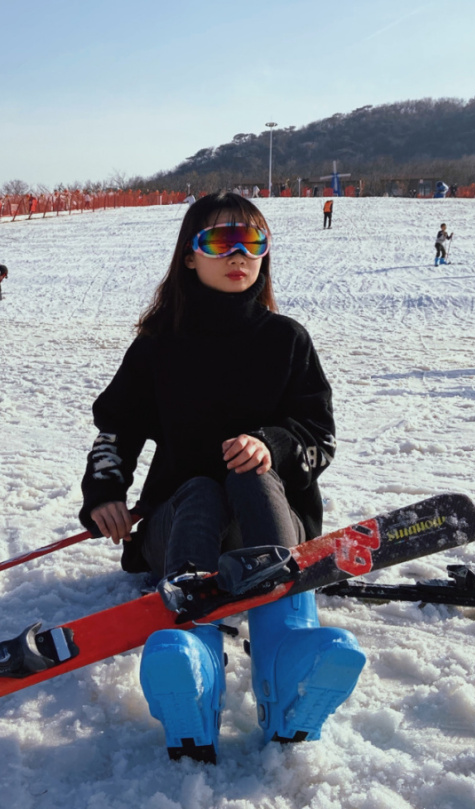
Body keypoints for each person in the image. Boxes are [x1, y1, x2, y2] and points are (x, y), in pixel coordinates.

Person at [80, 192, 363, 763]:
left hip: (270, 530)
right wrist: (105, 495)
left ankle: (287, 660)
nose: (239, 254)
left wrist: (272, 445)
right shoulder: (159, 348)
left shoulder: (286, 340)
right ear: (189, 256)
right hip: (178, 531)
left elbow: (320, 437)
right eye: (219, 241)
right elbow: (116, 430)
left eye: (252, 242)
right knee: (203, 489)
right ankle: (194, 661)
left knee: (250, 477)